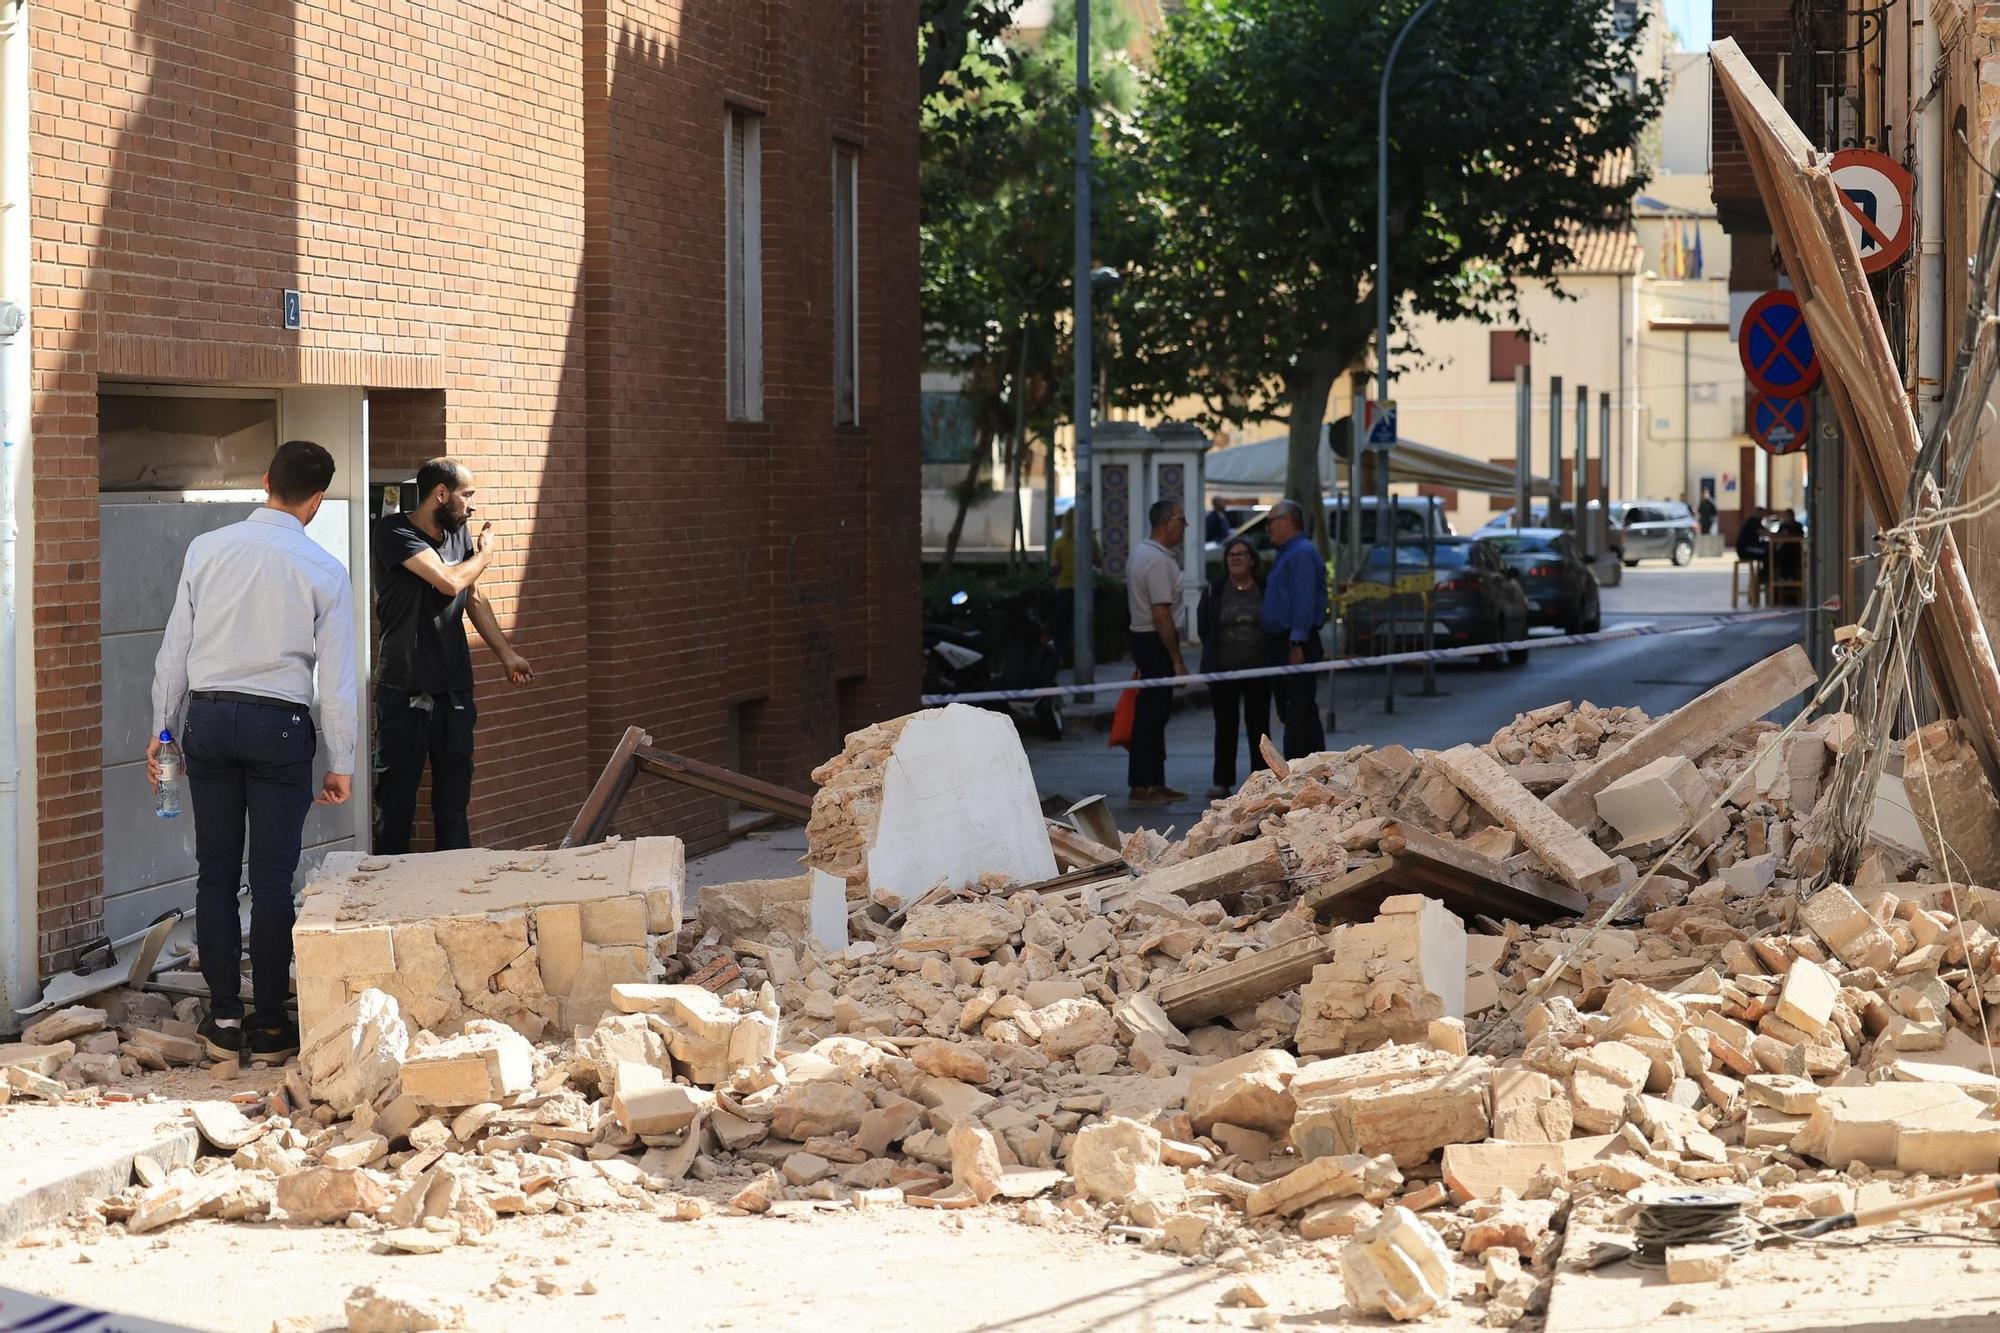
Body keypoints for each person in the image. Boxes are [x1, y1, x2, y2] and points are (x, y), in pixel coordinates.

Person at [147, 440, 357, 1063]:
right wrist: (340, 761)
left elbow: (174, 650)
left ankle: (223, 1018)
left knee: (215, 871)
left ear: (265, 480)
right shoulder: (324, 570)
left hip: (207, 719)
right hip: (280, 729)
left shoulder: (206, 549)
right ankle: (268, 1022)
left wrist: (162, 733)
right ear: (317, 501)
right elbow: (337, 681)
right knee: (271, 881)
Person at [372, 458, 534, 855]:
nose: (472, 506)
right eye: (467, 495)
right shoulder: (393, 531)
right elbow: (449, 581)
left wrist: (507, 654)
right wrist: (486, 555)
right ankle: (388, 894)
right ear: (441, 494)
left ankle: (455, 893)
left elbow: (473, 597)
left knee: (453, 802)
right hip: (404, 689)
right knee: (396, 803)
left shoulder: (457, 536)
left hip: (454, 689)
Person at [1125, 499, 1189, 805]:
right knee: (1150, 717)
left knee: (1156, 715)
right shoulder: (1157, 561)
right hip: (1153, 641)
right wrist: (1177, 659)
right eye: (1181, 520)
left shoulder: (1146, 553)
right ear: (1167, 523)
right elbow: (1161, 614)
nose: (1184, 526)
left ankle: (1154, 781)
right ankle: (1141, 784)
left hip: (1144, 639)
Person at [1197, 537, 1270, 798]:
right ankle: (1222, 781)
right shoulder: (1215, 590)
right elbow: (1204, 626)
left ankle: (1263, 777)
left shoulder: (1264, 588)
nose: (1236, 558)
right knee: (1225, 726)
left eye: (1241, 554)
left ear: (1252, 559)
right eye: (1231, 554)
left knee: (1259, 726)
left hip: (1259, 669)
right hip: (1223, 669)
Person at [1261, 499, 1329, 757]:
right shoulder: (1289, 553)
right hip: (1284, 641)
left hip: (1295, 643)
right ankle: (1316, 765)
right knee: (1297, 710)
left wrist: (1296, 642)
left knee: (1298, 709)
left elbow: (1304, 601)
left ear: (1287, 521)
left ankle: (1300, 769)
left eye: (1271, 522)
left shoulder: (1301, 553)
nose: (1268, 528)